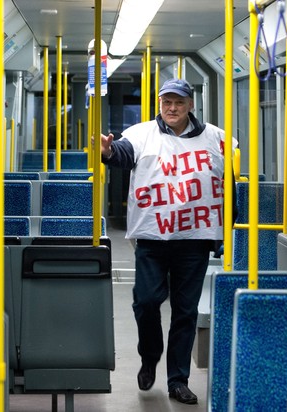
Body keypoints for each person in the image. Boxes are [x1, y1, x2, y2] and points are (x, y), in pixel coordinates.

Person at [98, 78, 236, 404]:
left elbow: (229, 186)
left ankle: (178, 380)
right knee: (146, 303)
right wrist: (106, 152)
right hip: (152, 236)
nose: (172, 109)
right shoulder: (141, 134)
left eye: (178, 102)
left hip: (194, 238)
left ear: (190, 104)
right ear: (160, 104)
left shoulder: (217, 138)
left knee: (184, 311)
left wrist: (225, 232)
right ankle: (150, 356)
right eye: (166, 103)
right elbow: (121, 154)